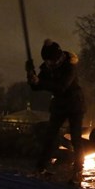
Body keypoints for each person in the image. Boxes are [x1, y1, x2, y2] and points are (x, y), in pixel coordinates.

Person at [27, 39, 86, 177]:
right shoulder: (48, 66)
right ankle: (41, 167)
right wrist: (32, 79)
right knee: (50, 136)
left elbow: (61, 87)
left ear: (58, 57)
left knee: (76, 138)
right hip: (59, 105)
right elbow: (37, 86)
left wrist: (40, 81)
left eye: (50, 61)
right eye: (46, 61)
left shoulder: (69, 66)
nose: (48, 64)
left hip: (75, 104)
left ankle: (78, 170)